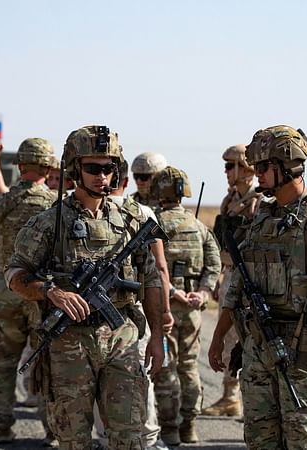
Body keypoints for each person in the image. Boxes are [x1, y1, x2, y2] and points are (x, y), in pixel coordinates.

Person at [6, 125, 165, 449]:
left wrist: (159, 337)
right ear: (74, 169)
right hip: (69, 344)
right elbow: (15, 274)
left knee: (128, 437)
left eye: (108, 168)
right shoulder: (49, 222)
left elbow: (150, 279)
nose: (101, 177)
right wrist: (51, 292)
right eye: (93, 168)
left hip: (122, 339)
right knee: (73, 439)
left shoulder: (130, 221)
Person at [208, 125, 307, 449]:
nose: (257, 174)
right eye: (256, 167)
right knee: (260, 437)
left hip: (300, 346)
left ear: (287, 167)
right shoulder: (263, 215)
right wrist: (220, 334)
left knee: (302, 437)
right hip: (257, 345)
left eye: (264, 168)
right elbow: (238, 278)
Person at [0, 137, 58, 445]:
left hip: (7, 290)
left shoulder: (0, 203)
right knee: (48, 362)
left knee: (5, 359)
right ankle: (52, 430)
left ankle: (2, 428)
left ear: (20, 166)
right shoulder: (57, 205)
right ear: (49, 168)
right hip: (44, 293)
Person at [92, 158, 173, 450]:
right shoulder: (142, 212)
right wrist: (164, 313)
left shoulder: (83, 212)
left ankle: (104, 438)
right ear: (125, 181)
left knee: (100, 380)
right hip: (131, 313)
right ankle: (148, 440)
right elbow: (159, 269)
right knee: (140, 379)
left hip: (96, 315)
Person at [151, 166, 221, 445]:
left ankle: (169, 429)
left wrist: (174, 293)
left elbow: (151, 267)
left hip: (162, 309)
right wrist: (202, 293)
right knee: (189, 367)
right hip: (192, 310)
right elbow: (213, 264)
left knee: (165, 368)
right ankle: (189, 426)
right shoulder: (199, 227)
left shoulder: (153, 225)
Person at [203, 144, 261, 418]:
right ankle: (230, 395)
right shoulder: (230, 201)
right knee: (227, 338)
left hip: (249, 279)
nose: (226, 171)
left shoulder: (257, 201)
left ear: (244, 168)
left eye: (230, 166)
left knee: (246, 338)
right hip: (229, 274)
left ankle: (248, 397)